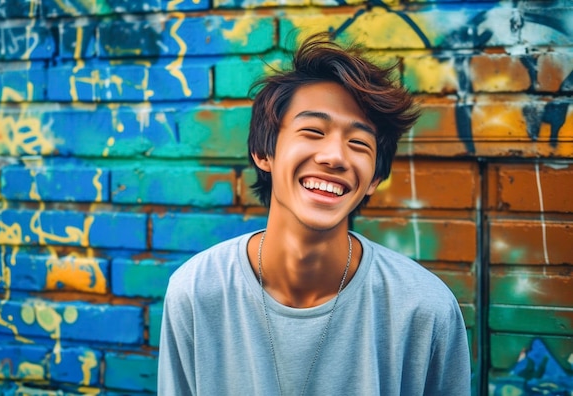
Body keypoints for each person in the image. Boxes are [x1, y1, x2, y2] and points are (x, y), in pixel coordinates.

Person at [157, 32, 471, 395]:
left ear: (374, 179)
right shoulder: (196, 292)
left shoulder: (425, 311)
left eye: (358, 143)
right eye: (312, 131)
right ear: (264, 153)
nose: (335, 157)